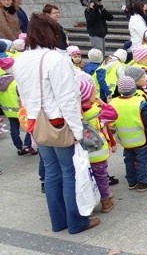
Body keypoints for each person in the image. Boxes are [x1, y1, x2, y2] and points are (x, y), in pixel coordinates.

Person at [13, 13, 100, 234]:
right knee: (69, 171)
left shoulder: (21, 59)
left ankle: (58, 221)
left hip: (36, 122)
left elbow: (21, 94)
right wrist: (77, 130)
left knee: (52, 172)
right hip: (59, 121)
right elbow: (68, 98)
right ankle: (76, 221)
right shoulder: (55, 59)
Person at [109, 75, 147, 191]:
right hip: (140, 138)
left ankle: (131, 181)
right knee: (141, 160)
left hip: (124, 139)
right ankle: (142, 182)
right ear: (134, 88)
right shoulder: (139, 102)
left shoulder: (113, 102)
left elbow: (111, 122)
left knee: (128, 160)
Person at [78, 77, 118, 213]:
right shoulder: (98, 111)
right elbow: (113, 115)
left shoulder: (74, 112)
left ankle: (89, 201)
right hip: (98, 153)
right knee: (101, 177)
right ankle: (106, 202)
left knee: (87, 179)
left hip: (81, 154)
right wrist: (102, 103)